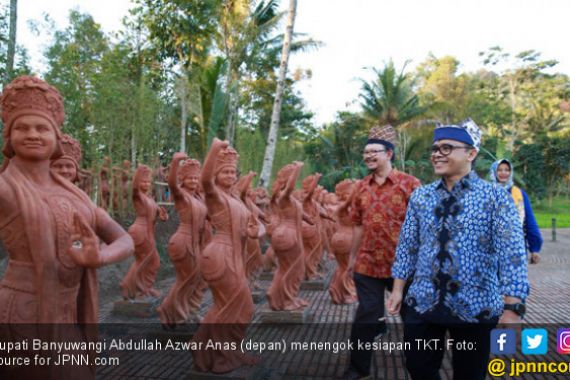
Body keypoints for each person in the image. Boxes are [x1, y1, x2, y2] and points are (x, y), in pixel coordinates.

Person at [0, 76, 134, 377]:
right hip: (22, 307)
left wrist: (98, 257)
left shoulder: (76, 196)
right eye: (22, 127)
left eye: (42, 128)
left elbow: (125, 239)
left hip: (68, 307)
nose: (32, 134)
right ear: (8, 137)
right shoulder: (6, 189)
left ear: (56, 137)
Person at [387, 119, 529, 380]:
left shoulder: (494, 197)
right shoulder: (421, 196)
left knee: (470, 374)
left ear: (471, 153)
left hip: (476, 307)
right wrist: (397, 289)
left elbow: (512, 252)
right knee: (418, 368)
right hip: (423, 302)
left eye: (446, 148)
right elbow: (408, 245)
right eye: (434, 149)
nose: (437, 155)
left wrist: (513, 307)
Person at [344, 124, 421, 380]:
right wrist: (352, 258)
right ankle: (358, 369)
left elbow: (424, 225)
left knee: (413, 319)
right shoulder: (360, 188)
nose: (368, 156)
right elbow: (356, 224)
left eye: (373, 151)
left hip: (404, 267)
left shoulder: (410, 184)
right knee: (366, 315)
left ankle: (419, 368)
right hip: (368, 265)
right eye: (365, 152)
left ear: (389, 153)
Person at [191, 138, 258, 373]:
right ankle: (218, 356)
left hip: (234, 254)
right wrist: (214, 149)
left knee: (238, 307)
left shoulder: (235, 198)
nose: (230, 175)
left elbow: (250, 227)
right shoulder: (215, 196)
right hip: (220, 254)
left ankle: (219, 347)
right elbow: (205, 180)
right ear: (217, 175)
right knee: (232, 306)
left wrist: (252, 232)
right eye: (225, 171)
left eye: (232, 171)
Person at [157, 153, 208, 327]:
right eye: (190, 178)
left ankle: (187, 311)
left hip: (195, 242)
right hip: (183, 241)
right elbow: (171, 183)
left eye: (196, 177)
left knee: (195, 279)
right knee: (186, 279)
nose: (193, 181)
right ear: (183, 180)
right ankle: (170, 311)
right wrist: (175, 161)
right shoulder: (182, 195)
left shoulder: (199, 198)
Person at [120, 164, 168, 299]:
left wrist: (162, 215)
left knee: (150, 261)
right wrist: (139, 172)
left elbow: (158, 213)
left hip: (148, 231)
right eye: (143, 181)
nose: (146, 184)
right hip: (140, 231)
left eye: (148, 181)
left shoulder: (149, 199)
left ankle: (139, 287)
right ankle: (140, 290)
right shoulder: (138, 196)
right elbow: (134, 188)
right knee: (146, 260)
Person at [489, 158, 543, 264]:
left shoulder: (520, 194)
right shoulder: (485, 193)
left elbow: (530, 222)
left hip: (516, 249)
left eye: (507, 170)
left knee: (515, 280)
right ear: (494, 172)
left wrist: (534, 249)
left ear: (511, 172)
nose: (503, 173)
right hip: (491, 250)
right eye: (499, 170)